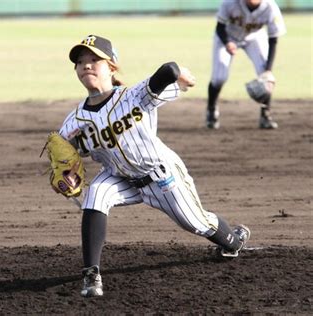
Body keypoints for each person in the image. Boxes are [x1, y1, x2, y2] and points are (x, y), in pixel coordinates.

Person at [58, 34, 251, 298]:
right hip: (119, 178)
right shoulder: (73, 122)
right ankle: (91, 274)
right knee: (96, 195)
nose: (87, 66)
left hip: (161, 176)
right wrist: (67, 176)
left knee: (197, 223)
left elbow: (168, 70)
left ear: (112, 67)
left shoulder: (135, 96)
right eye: (81, 62)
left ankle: (234, 240)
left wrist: (179, 74)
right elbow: (65, 159)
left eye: (95, 60)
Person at [206, 0, 286, 129]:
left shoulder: (270, 7)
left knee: (265, 75)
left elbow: (273, 39)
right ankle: (211, 110)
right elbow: (220, 26)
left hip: (254, 37)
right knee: (219, 77)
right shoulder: (229, 3)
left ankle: (266, 115)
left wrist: (268, 70)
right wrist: (227, 42)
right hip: (227, 36)